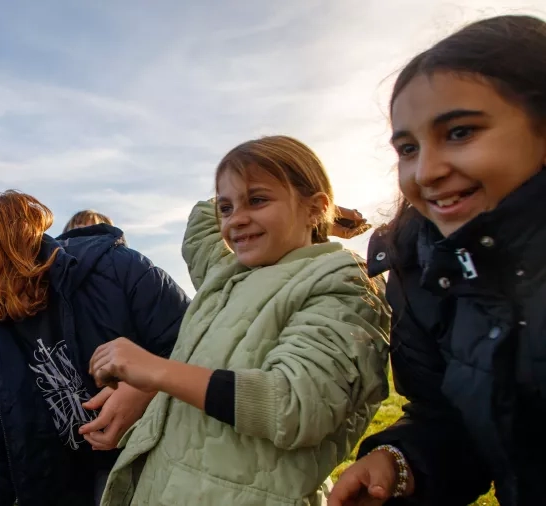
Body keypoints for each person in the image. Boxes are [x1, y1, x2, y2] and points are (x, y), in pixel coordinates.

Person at [94, 135, 390, 505]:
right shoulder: (227, 274)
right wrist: (313, 217)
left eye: (258, 199)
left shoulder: (342, 282)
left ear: (315, 206)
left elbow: (298, 405)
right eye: (227, 207)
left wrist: (156, 371)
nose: (236, 219)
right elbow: (201, 221)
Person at [329, 15, 546, 506]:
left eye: (461, 132)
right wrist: (401, 462)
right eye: (408, 148)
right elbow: (456, 420)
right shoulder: (420, 269)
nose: (426, 171)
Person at [0, 191, 190, 506]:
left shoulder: (116, 268)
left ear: (10, 229)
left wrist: (148, 389)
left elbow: (202, 343)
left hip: (173, 473)